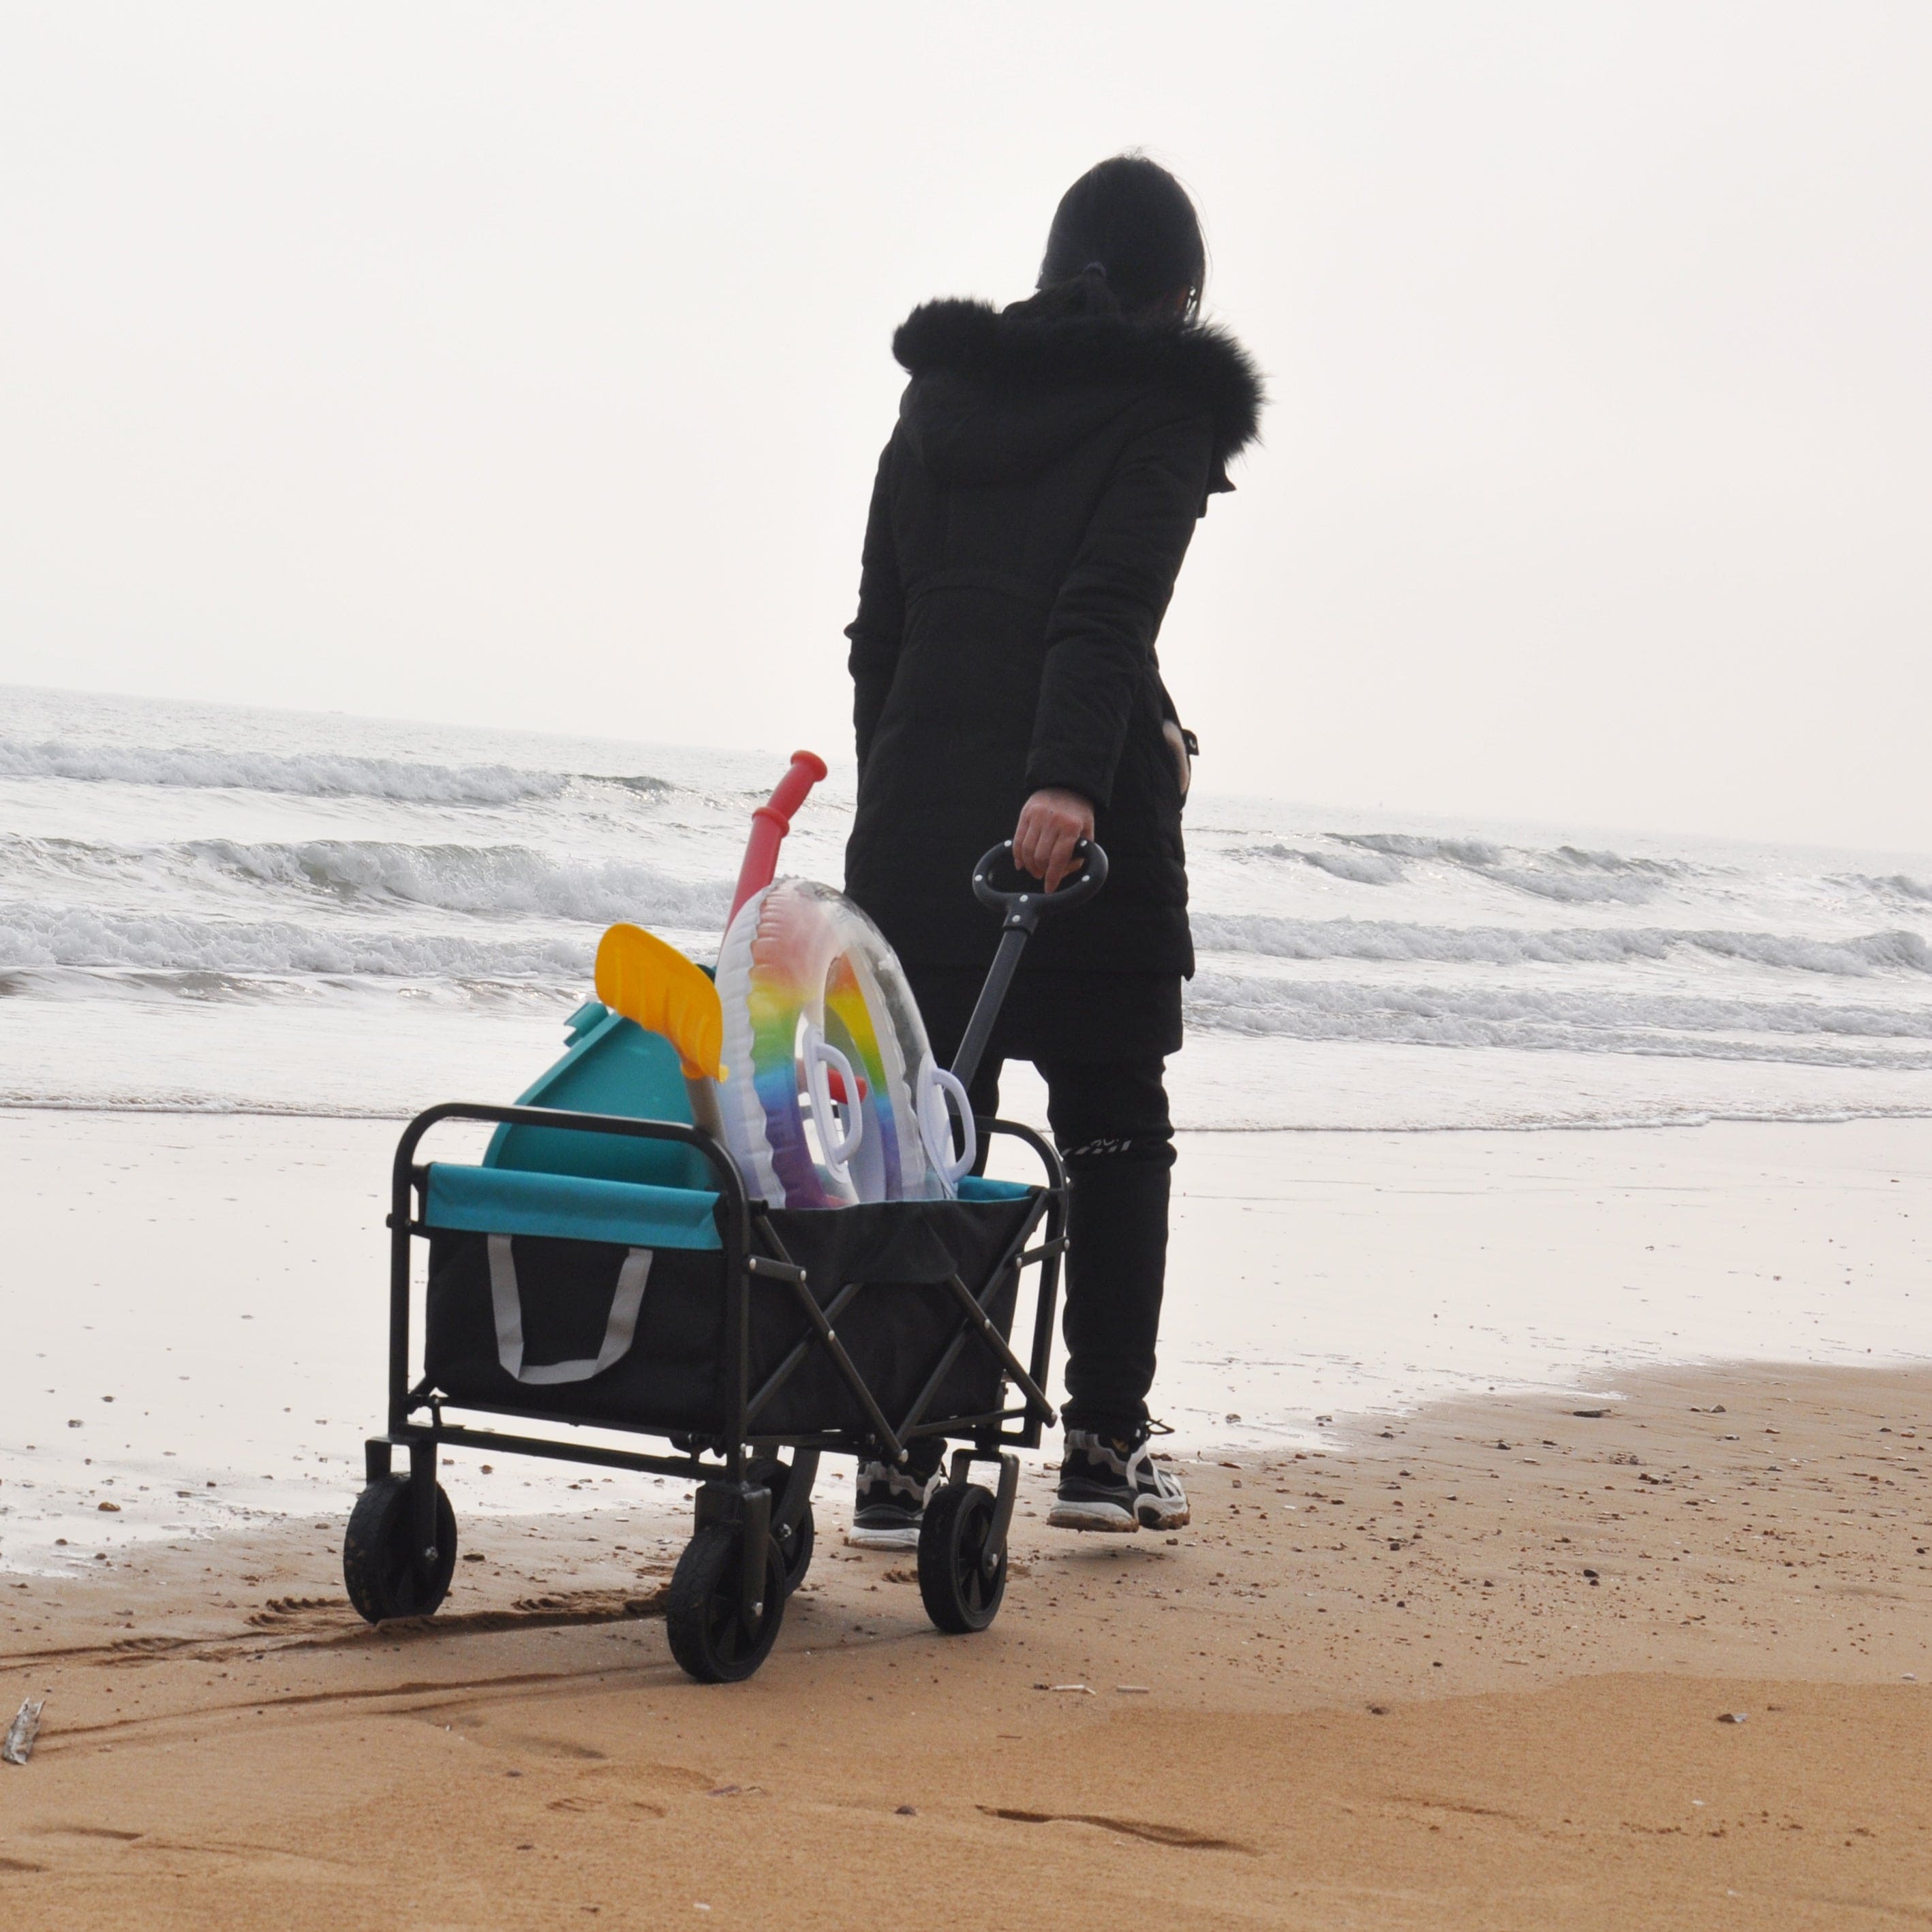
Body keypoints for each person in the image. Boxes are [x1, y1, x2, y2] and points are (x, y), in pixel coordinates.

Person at [838, 155, 1263, 1548]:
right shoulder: (1161, 401)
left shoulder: (940, 396)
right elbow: (1102, 609)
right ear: (1175, 295)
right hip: (1068, 832)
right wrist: (1067, 780)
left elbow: (880, 639)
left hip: (913, 830)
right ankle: (1099, 1445)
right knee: (1110, 1127)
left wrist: (892, 799)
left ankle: (891, 1448)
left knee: (917, 1136)